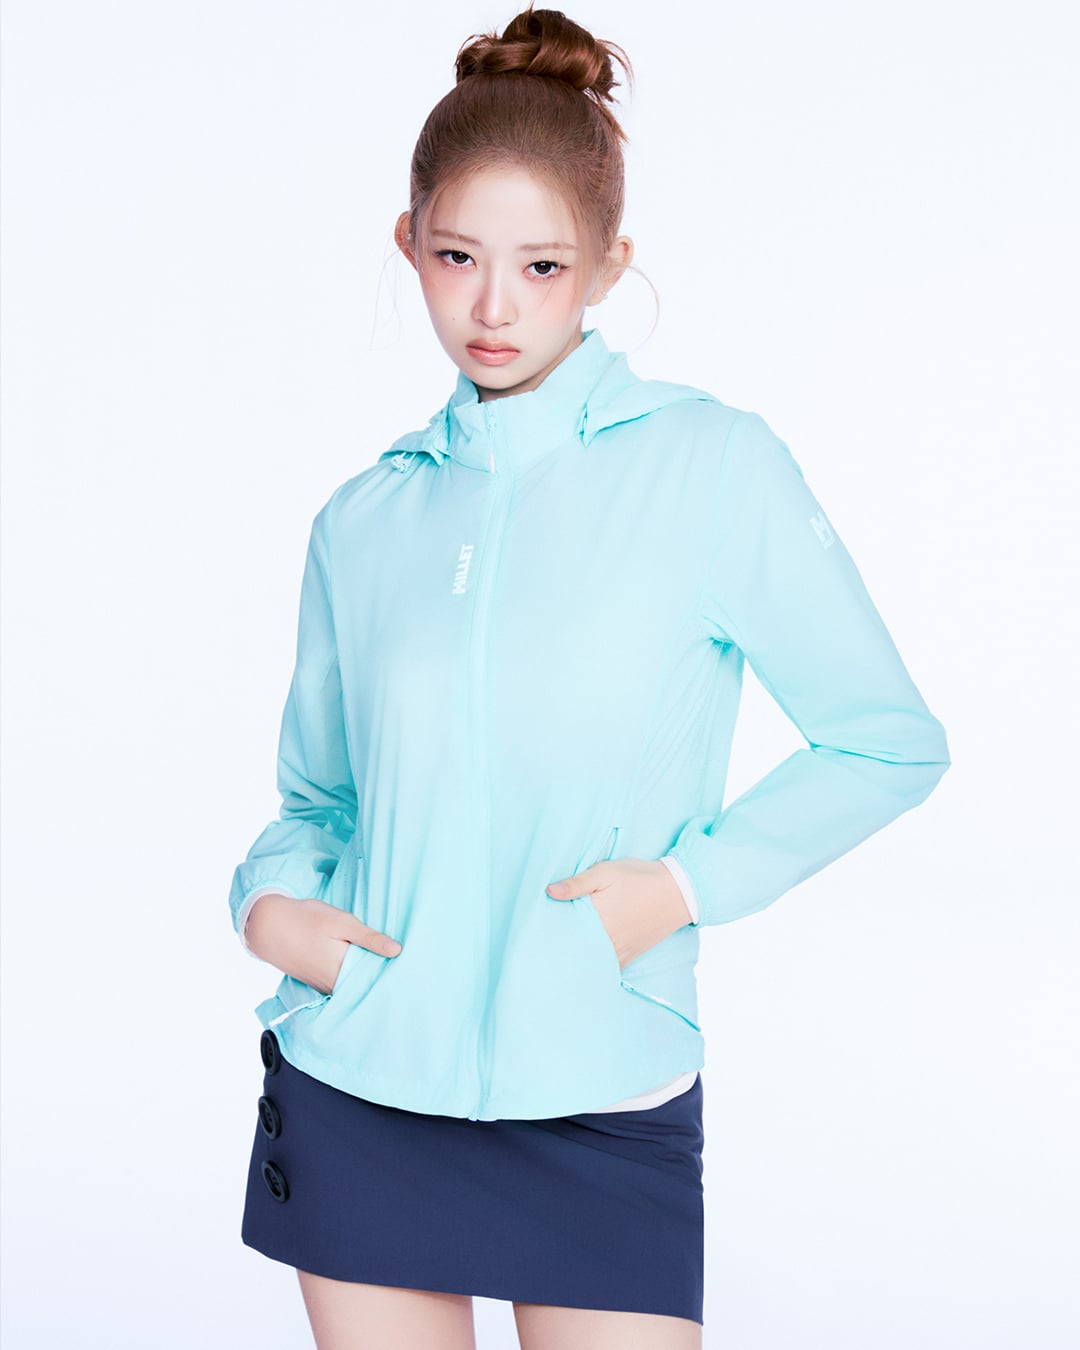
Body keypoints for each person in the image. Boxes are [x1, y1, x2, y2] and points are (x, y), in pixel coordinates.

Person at [228, 7, 951, 1348]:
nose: (493, 306)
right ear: (410, 244)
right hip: (359, 1075)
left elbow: (886, 741)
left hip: (603, 1090)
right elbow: (318, 797)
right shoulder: (364, 519)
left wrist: (683, 889)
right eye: (457, 256)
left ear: (609, 267)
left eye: (542, 265)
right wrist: (271, 906)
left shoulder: (713, 467)